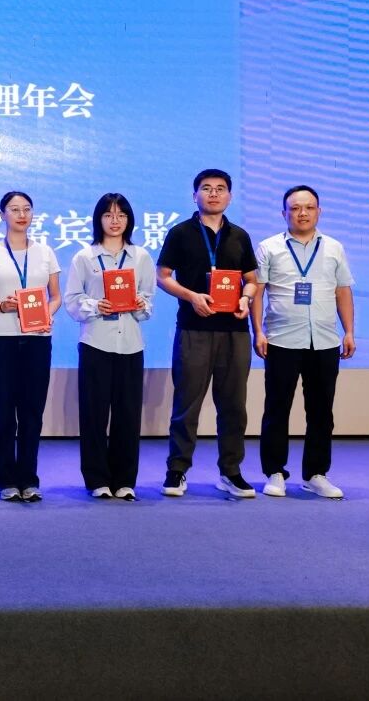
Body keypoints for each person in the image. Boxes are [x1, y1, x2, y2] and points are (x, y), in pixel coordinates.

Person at [156, 168, 259, 498]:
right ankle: (177, 470)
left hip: (234, 332)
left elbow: (252, 280)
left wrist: (245, 298)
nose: (213, 193)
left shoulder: (240, 236)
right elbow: (163, 276)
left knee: (234, 406)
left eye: (220, 188)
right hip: (194, 329)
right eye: (206, 188)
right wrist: (191, 296)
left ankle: (231, 472)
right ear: (195, 195)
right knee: (187, 405)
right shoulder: (180, 233)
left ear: (230, 196)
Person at [252, 185, 355, 499]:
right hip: (281, 339)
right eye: (295, 208)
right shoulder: (269, 247)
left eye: (309, 207)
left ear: (319, 211)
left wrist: (349, 331)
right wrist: (258, 331)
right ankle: (274, 472)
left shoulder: (334, 247)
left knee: (322, 411)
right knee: (277, 408)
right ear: (284, 213)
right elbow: (258, 291)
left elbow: (342, 291)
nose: (302, 213)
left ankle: (315, 474)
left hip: (324, 340)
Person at [63, 193, 155, 501]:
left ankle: (125, 480)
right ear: (98, 219)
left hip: (131, 344)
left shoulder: (141, 256)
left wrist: (141, 305)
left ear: (129, 220)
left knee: (128, 415)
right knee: (93, 415)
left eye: (121, 215)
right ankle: (97, 480)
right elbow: (72, 301)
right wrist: (95, 305)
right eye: (108, 215)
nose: (115, 221)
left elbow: (148, 302)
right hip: (96, 343)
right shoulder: (85, 257)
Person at [0, 191, 62, 502]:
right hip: (1, 339)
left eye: (26, 209)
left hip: (38, 340)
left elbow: (55, 296)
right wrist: (1, 306)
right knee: (2, 413)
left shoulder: (46, 252)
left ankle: (29, 479)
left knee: (32, 412)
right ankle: (6, 480)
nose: (21, 215)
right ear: (2, 215)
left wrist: (47, 315)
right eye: (14, 209)